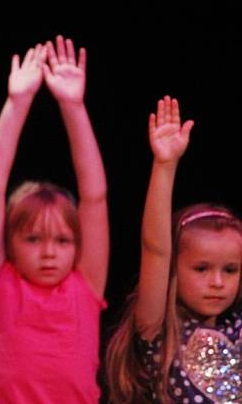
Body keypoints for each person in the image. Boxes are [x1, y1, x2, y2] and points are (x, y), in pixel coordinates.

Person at [0, 37, 109, 402]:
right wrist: (18, 103)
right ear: (9, 243)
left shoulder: (85, 287)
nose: (49, 253)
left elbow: (94, 197)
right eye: (33, 239)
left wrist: (73, 106)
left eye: (62, 241)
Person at [104, 97, 241, 403]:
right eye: (201, 268)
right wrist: (165, 166)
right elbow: (155, 251)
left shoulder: (238, 329)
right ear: (174, 271)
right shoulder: (161, 332)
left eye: (230, 270)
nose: (217, 282)